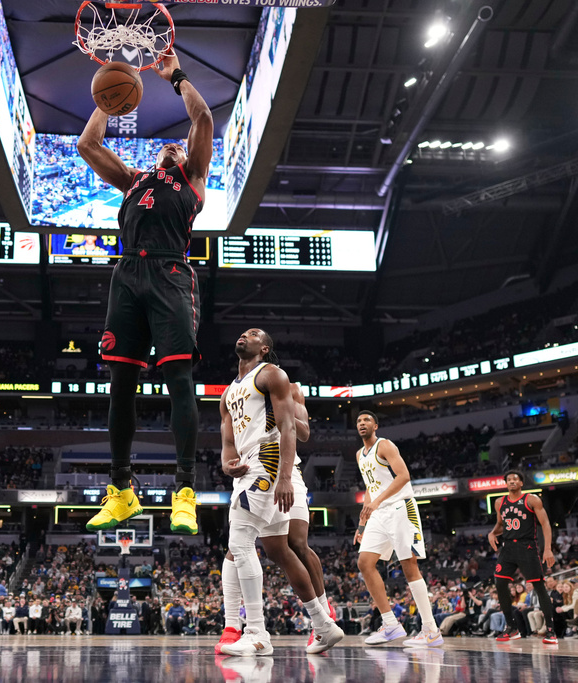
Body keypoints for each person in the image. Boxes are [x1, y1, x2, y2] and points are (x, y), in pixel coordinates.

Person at [78, 50, 213, 536]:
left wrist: (174, 75)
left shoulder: (191, 178)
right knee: (119, 384)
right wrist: (107, 103)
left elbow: (201, 116)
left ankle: (184, 492)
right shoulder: (133, 181)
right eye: (169, 147)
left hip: (170, 274)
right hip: (126, 277)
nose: (174, 148)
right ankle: (121, 491)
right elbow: (88, 144)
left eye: (180, 147)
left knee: (178, 379)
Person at [216, 329, 343, 657]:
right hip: (247, 468)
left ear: (265, 347)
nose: (244, 335)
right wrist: (226, 463)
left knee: (240, 543)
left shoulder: (271, 374)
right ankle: (324, 624)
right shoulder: (228, 393)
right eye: (242, 332)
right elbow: (228, 442)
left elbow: (291, 428)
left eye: (253, 334)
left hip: (268, 463)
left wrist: (285, 477)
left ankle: (256, 633)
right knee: (277, 549)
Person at [353, 410, 442, 648]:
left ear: (376, 425)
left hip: (401, 507)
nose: (362, 423)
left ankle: (430, 630)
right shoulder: (359, 454)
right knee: (364, 562)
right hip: (378, 513)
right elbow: (370, 487)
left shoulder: (385, 445)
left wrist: (377, 502)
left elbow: (403, 476)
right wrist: (362, 523)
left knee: (408, 564)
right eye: (359, 421)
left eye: (367, 420)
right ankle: (391, 624)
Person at [487, 470, 559, 644]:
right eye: (509, 480)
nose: (511, 482)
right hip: (508, 547)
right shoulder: (499, 502)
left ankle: (550, 631)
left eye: (515, 479)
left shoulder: (531, 499)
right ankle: (511, 628)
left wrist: (547, 548)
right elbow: (500, 525)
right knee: (500, 583)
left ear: (521, 483)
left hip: (527, 546)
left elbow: (546, 524)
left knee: (539, 587)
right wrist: (492, 533)